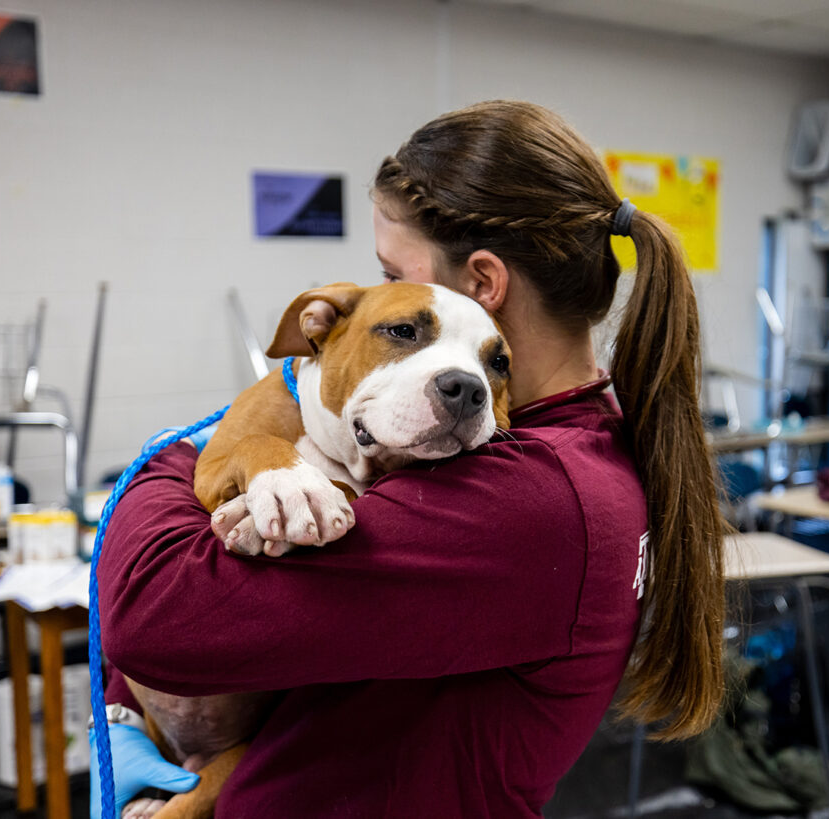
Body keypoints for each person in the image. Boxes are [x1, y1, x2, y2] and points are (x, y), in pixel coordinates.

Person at [94, 99, 726, 819]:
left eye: (392, 269)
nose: (380, 288)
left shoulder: (530, 495)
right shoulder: (573, 451)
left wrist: (188, 453)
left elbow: (155, 618)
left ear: (480, 287)